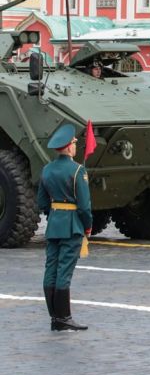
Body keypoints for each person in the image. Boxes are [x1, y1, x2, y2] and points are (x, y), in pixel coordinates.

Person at [36, 123, 92, 332]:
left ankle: (54, 316)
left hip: (54, 226)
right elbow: (84, 206)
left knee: (51, 268)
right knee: (64, 271)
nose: (76, 147)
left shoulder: (47, 169)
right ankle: (63, 317)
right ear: (69, 147)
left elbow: (42, 201)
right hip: (72, 227)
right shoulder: (78, 170)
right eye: (74, 144)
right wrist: (87, 228)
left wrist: (54, 216)